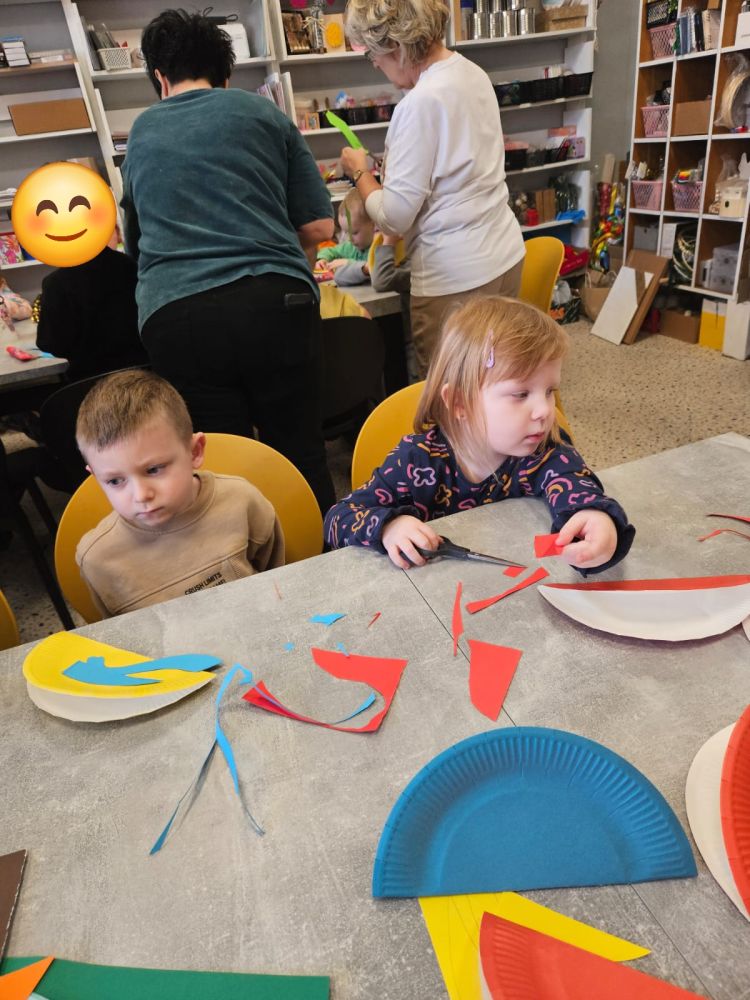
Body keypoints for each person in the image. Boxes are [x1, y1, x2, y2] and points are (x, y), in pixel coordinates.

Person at [121, 9, 335, 514]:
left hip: (178, 315)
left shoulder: (142, 133)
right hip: (275, 301)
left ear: (159, 77)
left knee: (219, 464)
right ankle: (326, 554)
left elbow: (137, 249)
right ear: (226, 74)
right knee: (301, 451)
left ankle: (244, 559)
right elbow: (319, 228)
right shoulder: (265, 114)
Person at [324, 296, 635, 573]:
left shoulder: (545, 451)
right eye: (521, 394)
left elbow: (579, 488)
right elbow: (338, 518)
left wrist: (597, 518)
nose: (544, 410)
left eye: (549, 390)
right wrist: (389, 527)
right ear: (460, 403)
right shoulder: (415, 461)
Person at [340, 0, 526, 377]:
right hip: (503, 254)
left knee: (448, 394)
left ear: (396, 46)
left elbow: (395, 218)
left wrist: (360, 173)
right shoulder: (471, 73)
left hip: (455, 278)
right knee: (494, 381)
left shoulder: (419, 103)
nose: (374, 64)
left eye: (373, 53)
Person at [75, 370, 284, 618]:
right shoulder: (97, 558)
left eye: (154, 469)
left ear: (195, 452)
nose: (141, 495)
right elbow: (117, 631)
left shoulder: (243, 501)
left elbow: (278, 579)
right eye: (115, 481)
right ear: (96, 477)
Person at [35, 226, 148, 382]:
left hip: (89, 383)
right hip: (143, 375)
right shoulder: (132, 267)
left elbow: (51, 344)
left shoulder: (55, 283)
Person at [316, 188, 375, 286]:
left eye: (355, 233)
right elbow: (331, 250)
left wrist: (348, 263)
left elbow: (374, 267)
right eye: (347, 233)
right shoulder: (351, 247)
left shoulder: (379, 248)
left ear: (374, 225)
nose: (350, 239)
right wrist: (322, 259)